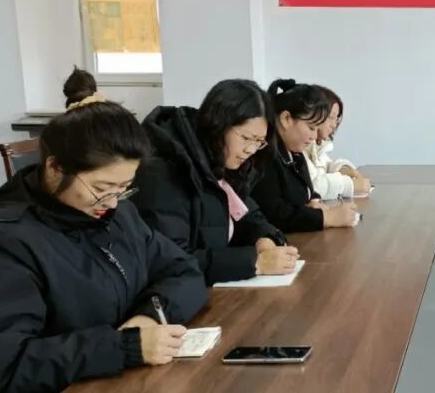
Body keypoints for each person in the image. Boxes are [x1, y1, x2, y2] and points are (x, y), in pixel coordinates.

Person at [0, 97, 208, 392]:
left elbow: (184, 270)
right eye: (102, 188)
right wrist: (122, 347)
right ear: (54, 168)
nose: (112, 202)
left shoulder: (118, 216)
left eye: (123, 188)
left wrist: (148, 318)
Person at [132, 79, 300, 286]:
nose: (251, 150)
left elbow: (248, 216)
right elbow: (171, 260)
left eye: (259, 142)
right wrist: (255, 262)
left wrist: (263, 239)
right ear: (219, 126)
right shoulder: (164, 171)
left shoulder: (221, 162)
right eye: (246, 138)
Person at [252, 79, 358, 232]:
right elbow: (273, 213)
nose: (314, 136)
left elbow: (307, 190)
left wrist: (315, 201)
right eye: (311, 128)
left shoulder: (295, 153)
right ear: (286, 119)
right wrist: (325, 218)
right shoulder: (264, 155)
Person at [303, 86, 371, 199]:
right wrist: (348, 185)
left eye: (337, 119)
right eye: (331, 117)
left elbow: (326, 166)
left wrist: (342, 169)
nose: (334, 125)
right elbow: (309, 187)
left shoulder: (315, 146)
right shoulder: (299, 146)